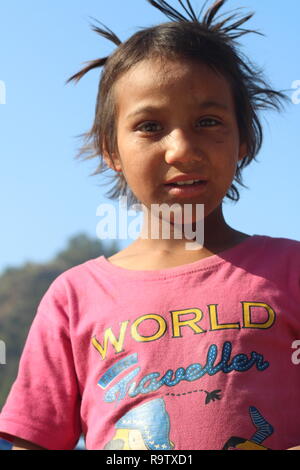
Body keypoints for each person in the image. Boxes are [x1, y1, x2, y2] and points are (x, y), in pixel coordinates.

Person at [0, 0, 299, 451]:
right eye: (151, 126)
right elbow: (33, 440)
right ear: (111, 150)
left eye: (208, 122)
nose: (181, 149)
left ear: (244, 139)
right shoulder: (74, 298)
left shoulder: (291, 270)